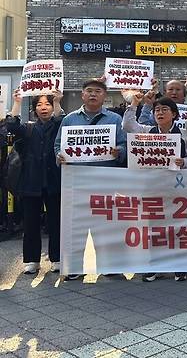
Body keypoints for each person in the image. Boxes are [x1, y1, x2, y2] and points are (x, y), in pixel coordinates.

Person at [54, 79, 127, 281]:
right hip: (76, 182)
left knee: (105, 226)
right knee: (76, 226)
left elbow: (125, 145)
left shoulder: (115, 119)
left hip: (105, 181)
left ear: (104, 96)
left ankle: (109, 266)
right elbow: (58, 145)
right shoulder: (69, 119)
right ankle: (75, 267)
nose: (93, 94)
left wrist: (119, 151)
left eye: (98, 91)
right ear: (82, 95)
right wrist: (59, 156)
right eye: (89, 91)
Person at [123, 94, 187, 282]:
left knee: (179, 228)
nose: (160, 113)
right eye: (157, 110)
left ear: (174, 114)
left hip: (177, 189)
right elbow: (128, 125)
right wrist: (134, 103)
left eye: (165, 110)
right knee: (154, 228)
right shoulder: (147, 131)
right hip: (152, 188)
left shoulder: (183, 134)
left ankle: (180, 266)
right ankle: (155, 265)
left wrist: (184, 162)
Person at [6, 89, 64, 275]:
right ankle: (32, 260)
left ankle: (57, 258)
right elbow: (12, 126)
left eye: (47, 104)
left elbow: (60, 120)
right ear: (34, 110)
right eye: (39, 104)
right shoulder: (29, 128)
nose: (43, 108)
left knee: (56, 222)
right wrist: (17, 102)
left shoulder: (59, 125)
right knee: (31, 223)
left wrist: (58, 101)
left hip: (55, 182)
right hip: (31, 183)